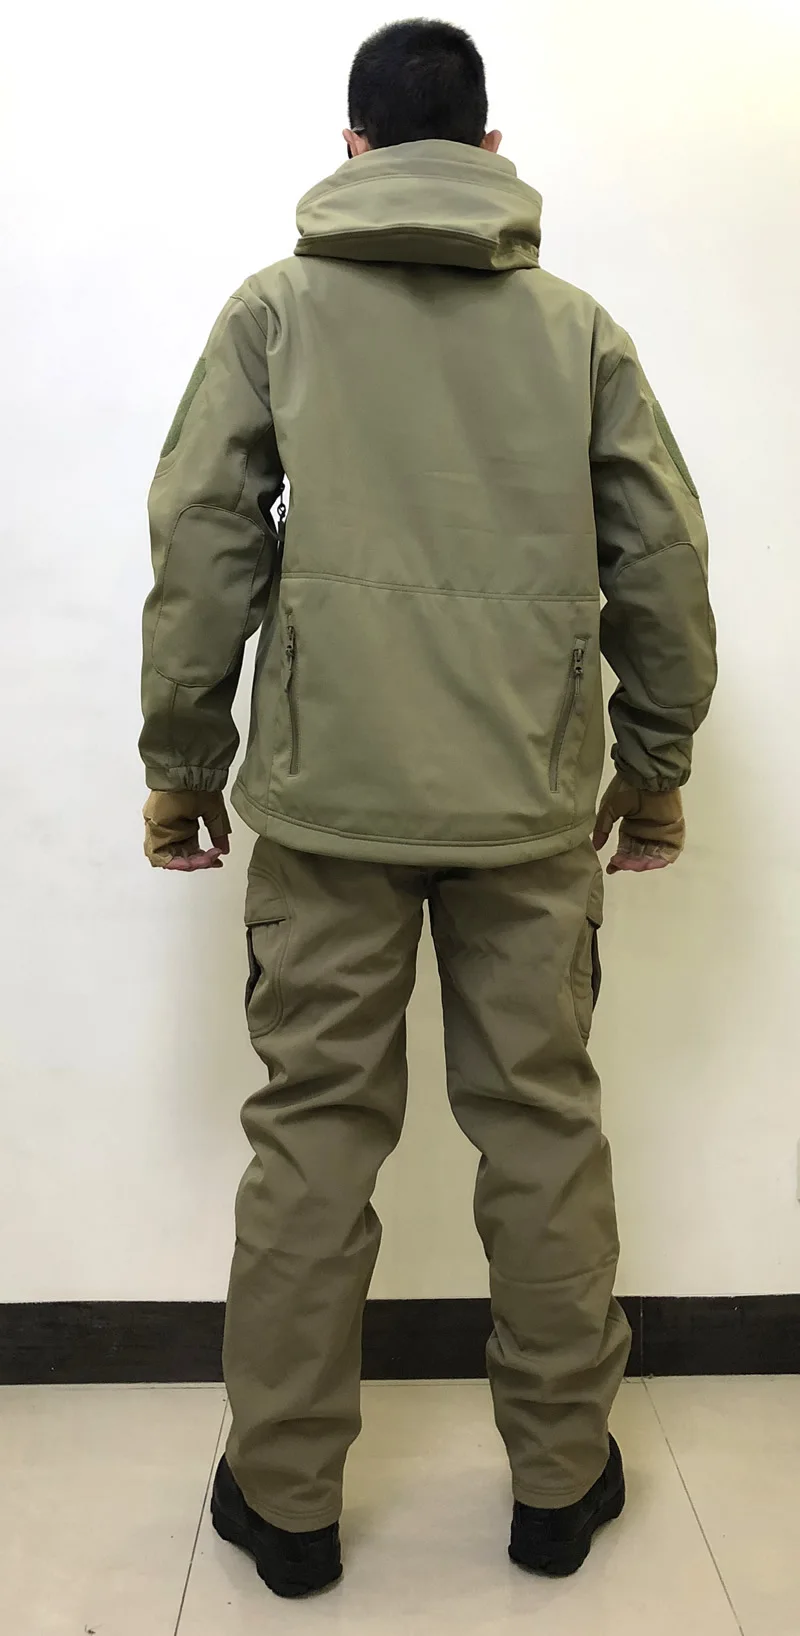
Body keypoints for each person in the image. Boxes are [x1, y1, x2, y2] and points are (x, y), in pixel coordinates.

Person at [139, 17, 716, 1600]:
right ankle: (558, 1486)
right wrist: (654, 763)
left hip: (330, 807)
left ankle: (287, 1507)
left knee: (313, 1140)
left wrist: (182, 760)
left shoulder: (272, 315)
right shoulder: (577, 331)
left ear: (351, 149)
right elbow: (663, 557)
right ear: (489, 148)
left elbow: (202, 543)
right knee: (541, 1131)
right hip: (528, 802)